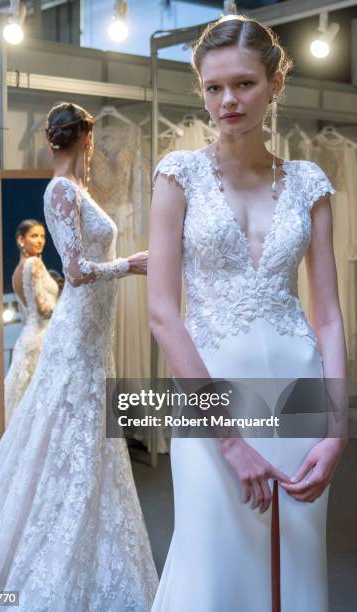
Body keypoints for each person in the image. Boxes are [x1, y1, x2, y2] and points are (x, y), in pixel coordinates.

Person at [148, 15, 347, 612]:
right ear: (201, 91)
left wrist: (336, 430)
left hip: (301, 397)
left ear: (275, 84)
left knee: (297, 560)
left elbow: (330, 316)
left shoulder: (309, 182)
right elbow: (162, 313)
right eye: (214, 88)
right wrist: (230, 439)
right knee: (213, 560)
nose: (228, 101)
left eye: (243, 84)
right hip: (214, 404)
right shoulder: (177, 175)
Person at [0, 102, 157, 611]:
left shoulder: (77, 191)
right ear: (86, 141)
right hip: (77, 331)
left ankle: (86, 529)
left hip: (90, 330)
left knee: (84, 434)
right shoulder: (61, 190)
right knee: (65, 431)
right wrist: (129, 265)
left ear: (51, 141)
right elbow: (80, 271)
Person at [4, 219, 59, 426]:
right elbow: (43, 309)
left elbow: (26, 313)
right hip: (41, 339)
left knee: (22, 399)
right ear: (21, 240)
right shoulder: (34, 264)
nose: (40, 241)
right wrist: (67, 308)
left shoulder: (17, 271)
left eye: (43, 236)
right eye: (34, 236)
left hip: (27, 337)